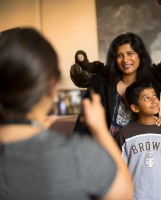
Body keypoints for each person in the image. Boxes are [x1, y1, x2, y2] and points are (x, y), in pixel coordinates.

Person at [0, 27, 133, 200]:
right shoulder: (81, 155)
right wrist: (100, 130)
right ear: (51, 87)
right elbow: (124, 192)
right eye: (119, 55)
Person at [73, 32, 161, 139]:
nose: (125, 60)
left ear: (140, 55)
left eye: (130, 53)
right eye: (119, 55)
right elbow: (82, 122)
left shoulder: (151, 87)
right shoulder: (100, 81)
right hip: (100, 149)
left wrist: (158, 121)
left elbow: (150, 120)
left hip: (134, 152)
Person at [116, 80, 161, 200]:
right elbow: (118, 172)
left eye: (155, 96)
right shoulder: (125, 134)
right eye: (146, 98)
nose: (154, 100)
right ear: (135, 108)